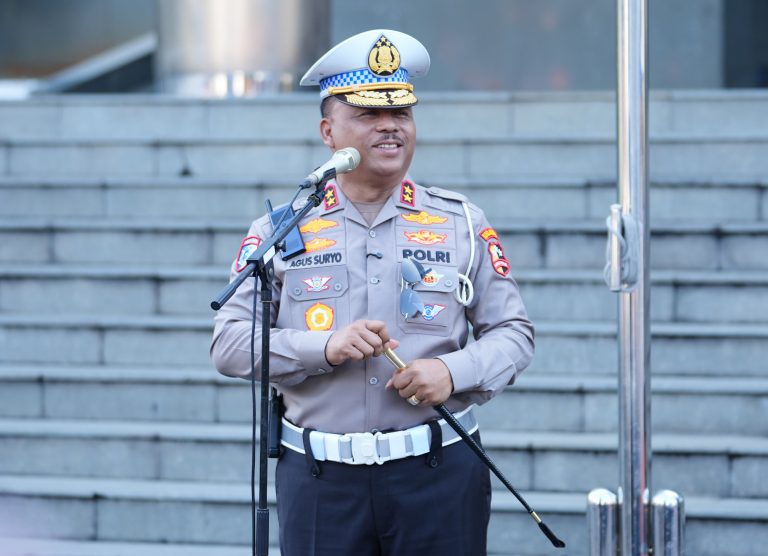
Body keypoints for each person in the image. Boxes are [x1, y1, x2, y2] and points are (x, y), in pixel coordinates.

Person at [211, 29, 535, 556]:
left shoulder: (460, 222)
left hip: (438, 476)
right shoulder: (280, 229)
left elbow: (514, 333)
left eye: (401, 112)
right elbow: (228, 343)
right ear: (328, 131)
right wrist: (324, 347)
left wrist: (452, 372)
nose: (390, 125)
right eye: (368, 113)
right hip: (320, 482)